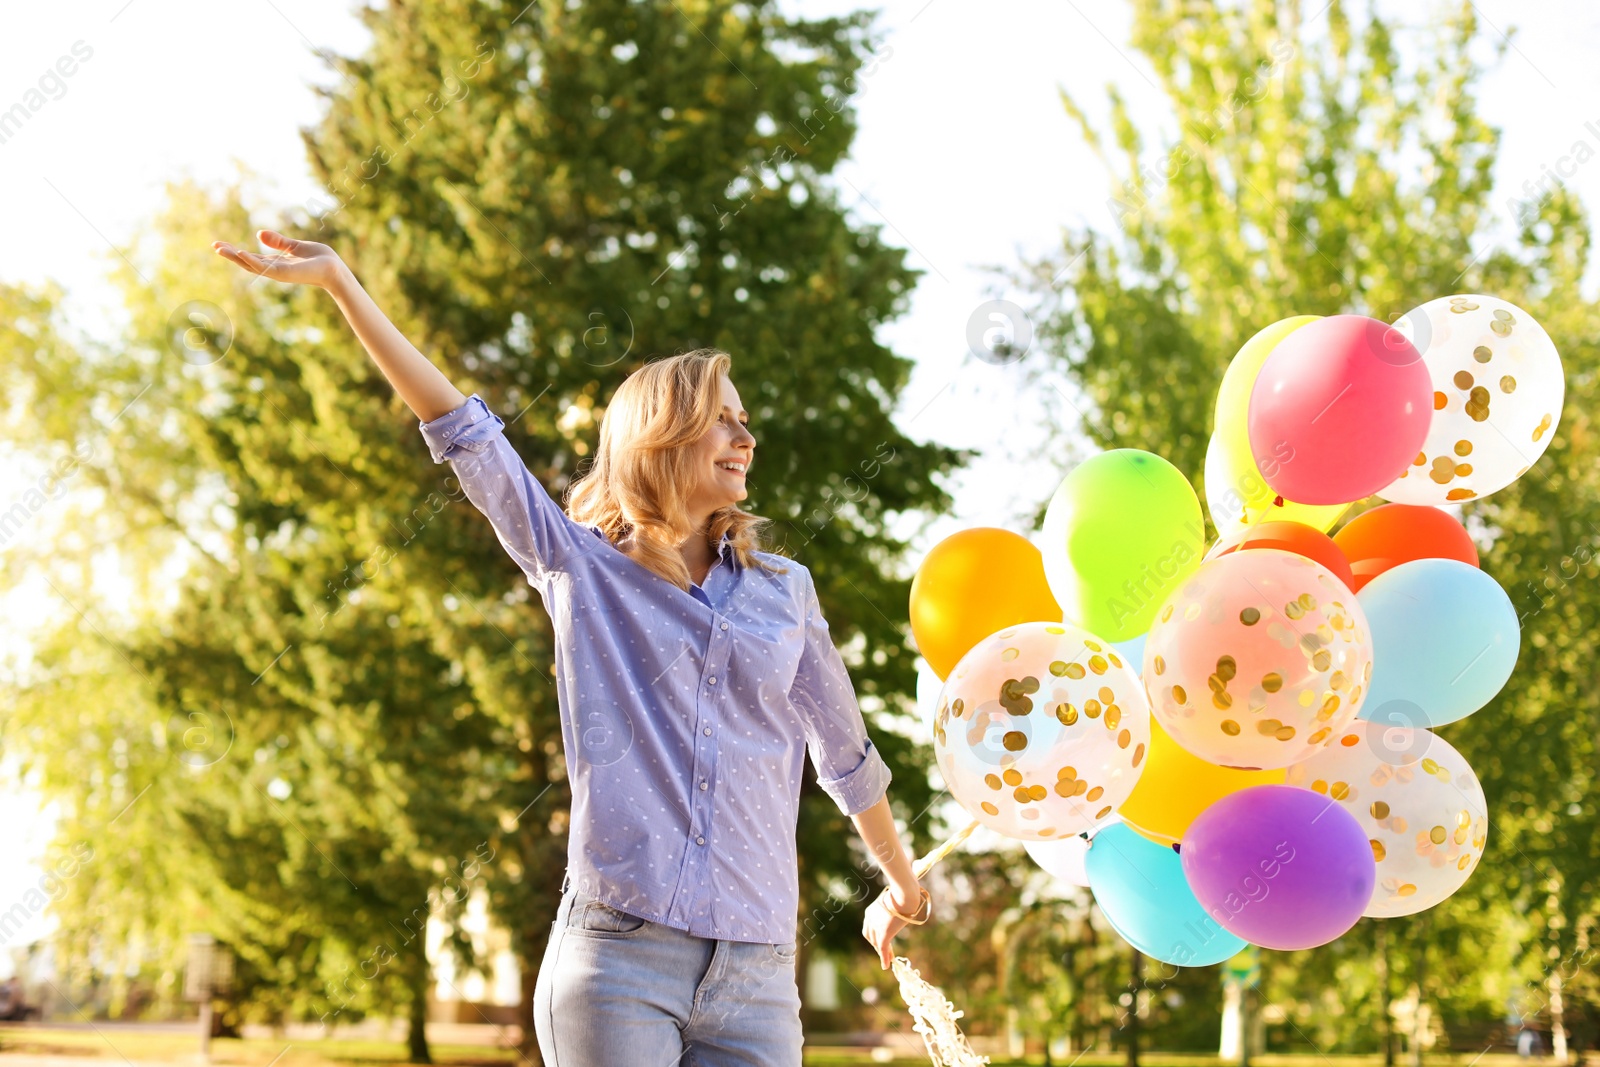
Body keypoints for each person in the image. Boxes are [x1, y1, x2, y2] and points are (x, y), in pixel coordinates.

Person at [213, 230, 934, 1065]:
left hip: (759, 973)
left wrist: (899, 878)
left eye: (745, 421)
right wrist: (342, 283)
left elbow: (845, 754)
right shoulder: (578, 568)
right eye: (722, 421)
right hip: (619, 962)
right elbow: (464, 431)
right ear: (663, 436)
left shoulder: (786, 590)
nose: (747, 438)